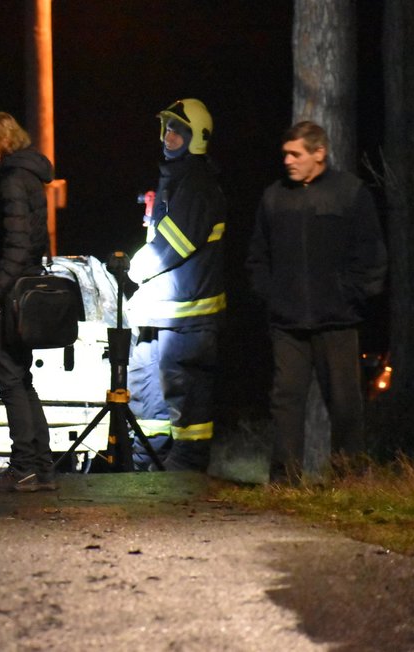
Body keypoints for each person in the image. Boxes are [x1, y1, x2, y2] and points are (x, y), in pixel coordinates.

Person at [246, 120, 386, 484]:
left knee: (345, 406)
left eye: (296, 154)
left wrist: (350, 295)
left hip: (337, 322)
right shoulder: (274, 197)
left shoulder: (350, 193)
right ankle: (285, 484)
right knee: (286, 404)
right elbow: (257, 257)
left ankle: (347, 482)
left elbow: (371, 256)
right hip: (288, 324)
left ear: (318, 153)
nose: (288, 161)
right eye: (285, 154)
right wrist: (271, 295)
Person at [125, 98, 227, 473]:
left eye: (178, 131)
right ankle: (147, 462)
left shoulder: (197, 183)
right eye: (167, 129)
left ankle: (187, 469)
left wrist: (134, 269)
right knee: (146, 391)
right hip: (161, 315)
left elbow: (175, 243)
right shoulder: (176, 179)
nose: (168, 137)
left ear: (195, 138)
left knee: (187, 394)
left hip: (188, 319)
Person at [0, 111, 56, 492]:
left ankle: (23, 467)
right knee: (23, 380)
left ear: (2, 141)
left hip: (11, 294)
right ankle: (42, 467)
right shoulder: (30, 177)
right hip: (27, 290)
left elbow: (16, 247)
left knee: (10, 381)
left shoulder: (11, 181)